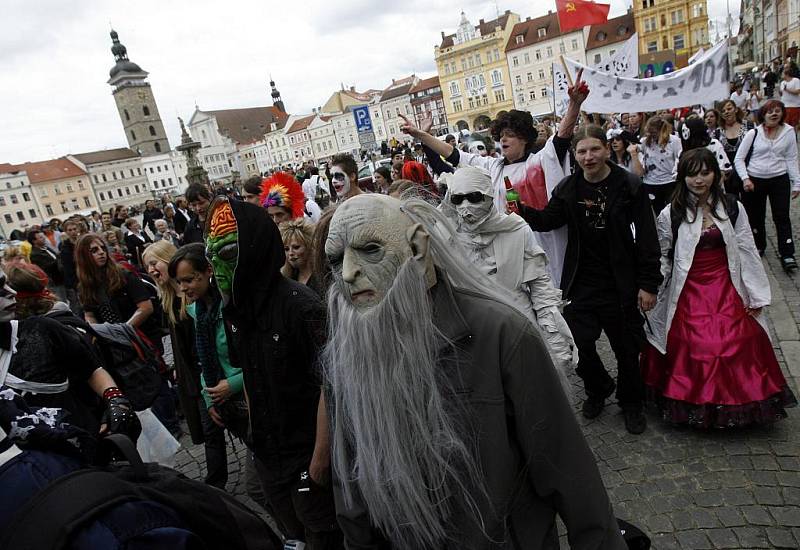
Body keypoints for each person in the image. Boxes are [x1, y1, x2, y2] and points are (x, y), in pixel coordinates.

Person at [323, 193, 626, 549]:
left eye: (370, 250)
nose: (347, 273)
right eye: (336, 259)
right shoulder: (345, 356)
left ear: (418, 250)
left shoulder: (502, 334)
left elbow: (569, 470)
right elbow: (352, 487)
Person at [206, 197, 343, 548]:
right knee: (292, 534)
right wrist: (255, 433)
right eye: (212, 256)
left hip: (305, 455)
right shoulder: (238, 309)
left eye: (227, 253)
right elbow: (250, 373)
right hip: (270, 454)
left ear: (255, 249)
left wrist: (319, 460)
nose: (218, 269)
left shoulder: (301, 306)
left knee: (321, 535)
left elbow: (333, 385)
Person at [519, 125, 662, 434]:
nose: (588, 156)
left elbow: (648, 239)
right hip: (581, 281)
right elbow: (548, 220)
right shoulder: (569, 188)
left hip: (621, 282)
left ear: (607, 150)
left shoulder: (629, 185)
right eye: (581, 151)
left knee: (626, 348)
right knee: (578, 344)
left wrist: (649, 284)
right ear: (575, 155)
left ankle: (631, 402)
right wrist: (520, 210)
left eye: (594, 149)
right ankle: (598, 386)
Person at [642, 148, 797, 427]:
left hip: (727, 283)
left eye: (705, 173)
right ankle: (694, 403)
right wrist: (653, 289)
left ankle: (738, 402)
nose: (699, 180)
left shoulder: (732, 206)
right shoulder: (671, 213)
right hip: (688, 286)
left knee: (739, 339)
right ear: (682, 176)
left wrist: (755, 292)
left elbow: (747, 249)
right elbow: (664, 254)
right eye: (692, 174)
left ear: (715, 174)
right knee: (695, 343)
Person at [400, 70, 589, 287]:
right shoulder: (493, 166)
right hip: (510, 247)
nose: (503, 139)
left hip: (545, 242)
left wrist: (575, 105)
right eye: (501, 135)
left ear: (525, 138)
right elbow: (453, 155)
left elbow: (562, 137)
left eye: (510, 134)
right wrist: (421, 135)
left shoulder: (539, 161)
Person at [439, 166, 574, 373]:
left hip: (519, 327)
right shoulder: (444, 235)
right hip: (474, 338)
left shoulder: (516, 230)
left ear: (489, 196)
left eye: (474, 197)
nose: (466, 206)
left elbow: (541, 289)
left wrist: (555, 344)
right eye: (458, 199)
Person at [3, 263, 141, 439]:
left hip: (84, 430)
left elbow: (92, 369)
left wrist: (113, 401)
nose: (10, 293)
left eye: (8, 286)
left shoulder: (44, 328)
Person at [169, 243, 245, 489]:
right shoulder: (198, 312)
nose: (183, 288)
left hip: (252, 397)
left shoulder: (234, 305)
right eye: (179, 282)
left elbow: (259, 359)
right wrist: (210, 396)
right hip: (228, 401)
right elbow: (205, 359)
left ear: (209, 271)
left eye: (189, 280)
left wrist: (232, 384)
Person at [142, 241, 203, 446]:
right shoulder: (168, 298)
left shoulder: (194, 294)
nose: (151, 270)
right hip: (189, 372)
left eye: (153, 263)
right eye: (147, 267)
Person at [734, 99, 800, 271]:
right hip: (755, 180)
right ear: (763, 114)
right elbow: (739, 159)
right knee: (756, 216)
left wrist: (797, 183)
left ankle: (787, 253)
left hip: (779, 179)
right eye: (770, 111)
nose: (774, 114)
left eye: (778, 110)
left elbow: (791, 158)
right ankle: (759, 244)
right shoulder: (753, 134)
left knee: (782, 216)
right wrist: (745, 178)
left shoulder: (789, 132)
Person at [641, 116, 683, 214]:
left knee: (672, 211)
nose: (651, 135)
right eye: (649, 132)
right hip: (651, 183)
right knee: (656, 212)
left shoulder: (674, 141)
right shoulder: (645, 142)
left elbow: (680, 157)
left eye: (654, 133)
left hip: (669, 182)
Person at [279, 218, 321, 296]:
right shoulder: (286, 279)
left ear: (309, 247)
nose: (290, 253)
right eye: (286, 249)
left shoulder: (321, 277)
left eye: (296, 247)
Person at [27, 229, 64, 299]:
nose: (44, 238)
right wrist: (61, 259)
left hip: (62, 278)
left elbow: (56, 257)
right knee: (61, 299)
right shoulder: (35, 254)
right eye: (40, 237)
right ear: (34, 241)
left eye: (43, 236)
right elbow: (49, 267)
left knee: (73, 299)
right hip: (55, 281)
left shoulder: (45, 247)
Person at [59, 219, 81, 314]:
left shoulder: (83, 241)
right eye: (70, 230)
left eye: (74, 229)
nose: (73, 232)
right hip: (77, 279)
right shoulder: (65, 246)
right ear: (66, 232)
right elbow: (68, 268)